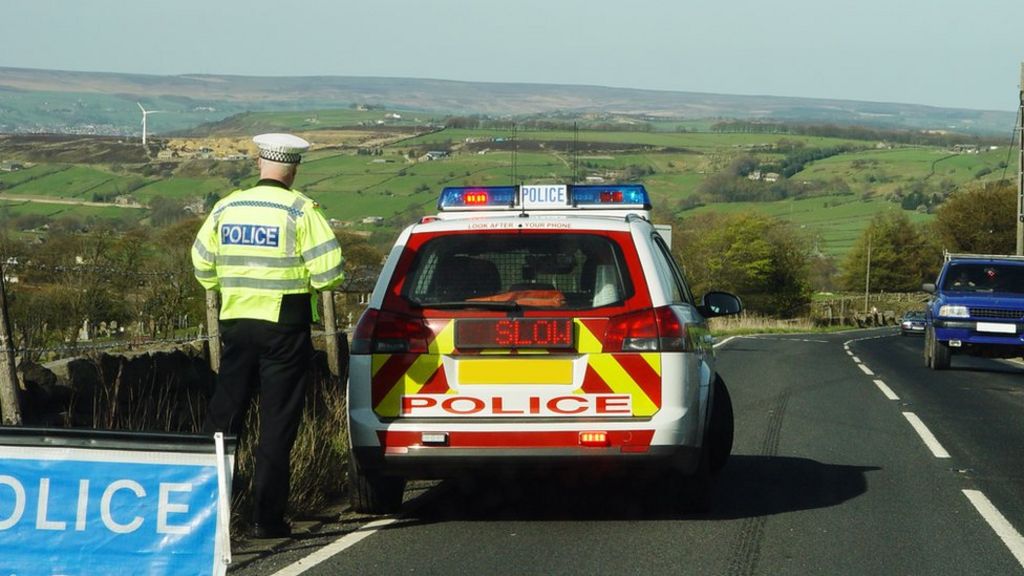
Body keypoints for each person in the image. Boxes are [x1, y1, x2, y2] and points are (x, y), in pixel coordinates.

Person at [191, 133, 345, 539]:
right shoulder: (300, 211)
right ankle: (266, 519)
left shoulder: (226, 207)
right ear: (293, 169)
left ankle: (206, 515)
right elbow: (330, 271)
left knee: (224, 419)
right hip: (285, 325)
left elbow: (201, 263)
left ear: (260, 162)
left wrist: (228, 287)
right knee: (277, 423)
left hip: (236, 321)